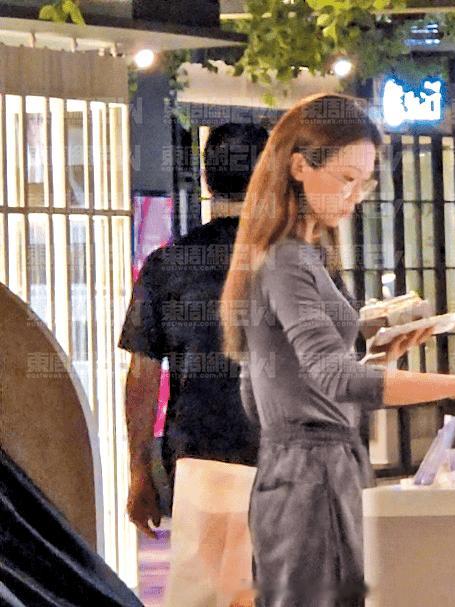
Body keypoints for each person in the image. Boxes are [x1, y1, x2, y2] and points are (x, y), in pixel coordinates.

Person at [219, 93, 455, 606]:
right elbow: (333, 379)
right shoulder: (289, 261)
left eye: (363, 183)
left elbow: (265, 390)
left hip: (304, 472)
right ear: (299, 166)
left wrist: (377, 362)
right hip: (311, 478)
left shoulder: (298, 256)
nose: (355, 196)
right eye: (346, 178)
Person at [119, 123, 268, 604]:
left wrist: (139, 470)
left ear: (206, 180)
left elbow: (142, 378)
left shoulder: (166, 266)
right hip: (282, 460)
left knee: (204, 594)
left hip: (199, 461)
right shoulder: (301, 263)